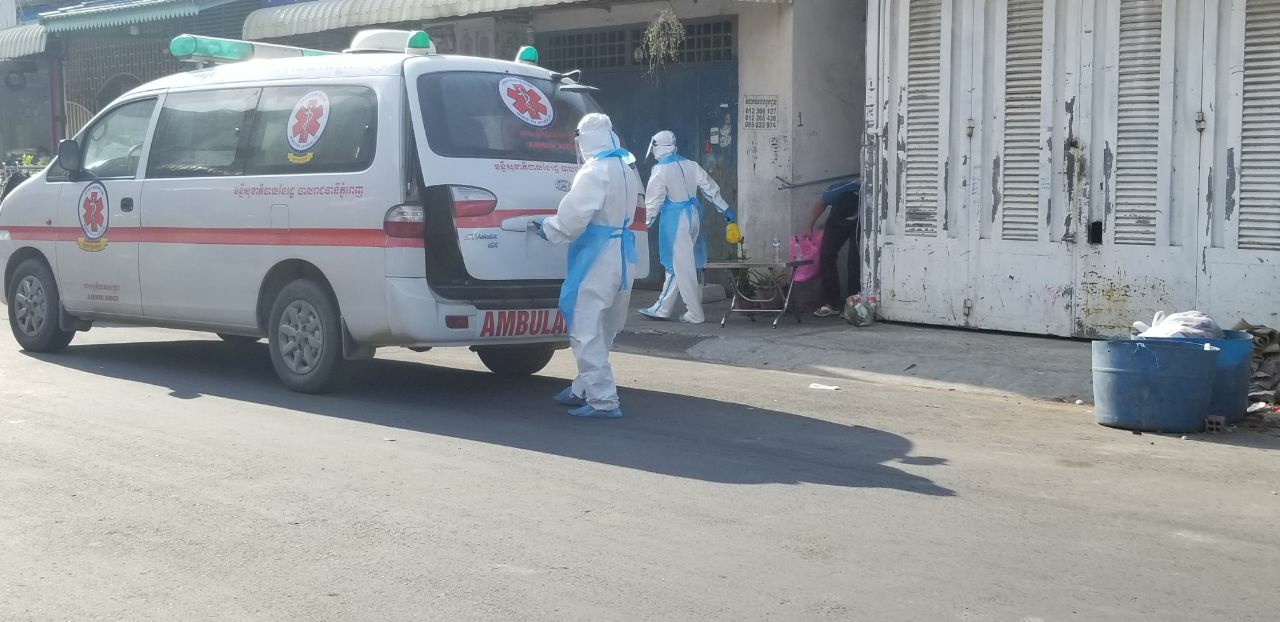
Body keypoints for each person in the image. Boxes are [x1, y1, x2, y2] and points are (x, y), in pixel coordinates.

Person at [534, 113, 640, 419]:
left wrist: (549, 228)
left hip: (599, 257)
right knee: (605, 327)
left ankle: (603, 400)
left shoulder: (595, 170)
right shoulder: (625, 167)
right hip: (624, 255)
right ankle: (583, 388)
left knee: (585, 328)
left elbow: (574, 216)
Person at [638, 130, 734, 324]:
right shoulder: (691, 164)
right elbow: (709, 187)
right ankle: (663, 308)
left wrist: (643, 225)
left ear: (656, 147)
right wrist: (724, 208)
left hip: (676, 222)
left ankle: (695, 313)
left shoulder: (660, 170)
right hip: (693, 216)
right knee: (679, 266)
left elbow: (653, 203)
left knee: (682, 268)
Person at [805, 179, 861, 317]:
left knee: (855, 260)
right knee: (826, 254)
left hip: (859, 222)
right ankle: (831, 303)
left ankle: (852, 303)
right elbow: (820, 203)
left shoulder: (866, 192)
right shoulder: (834, 193)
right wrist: (808, 226)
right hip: (836, 221)